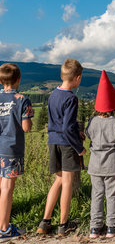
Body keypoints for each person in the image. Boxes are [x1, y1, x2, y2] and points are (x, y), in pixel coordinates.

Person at [37, 58, 86, 237]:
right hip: (66, 144)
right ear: (77, 78)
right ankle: (63, 225)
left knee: (58, 180)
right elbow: (67, 127)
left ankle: (45, 221)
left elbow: (60, 124)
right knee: (67, 183)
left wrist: (75, 133)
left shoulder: (53, 95)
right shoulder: (71, 98)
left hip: (53, 142)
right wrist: (78, 146)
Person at [86, 70, 115, 239]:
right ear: (113, 106)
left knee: (96, 194)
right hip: (113, 164)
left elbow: (89, 134)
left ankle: (94, 228)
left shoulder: (92, 121)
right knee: (112, 195)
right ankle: (112, 226)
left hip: (95, 164)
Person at [0, 63, 33, 241]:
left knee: (0, 187)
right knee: (7, 188)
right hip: (11, 148)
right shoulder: (22, 99)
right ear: (19, 79)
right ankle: (4, 229)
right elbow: (26, 128)